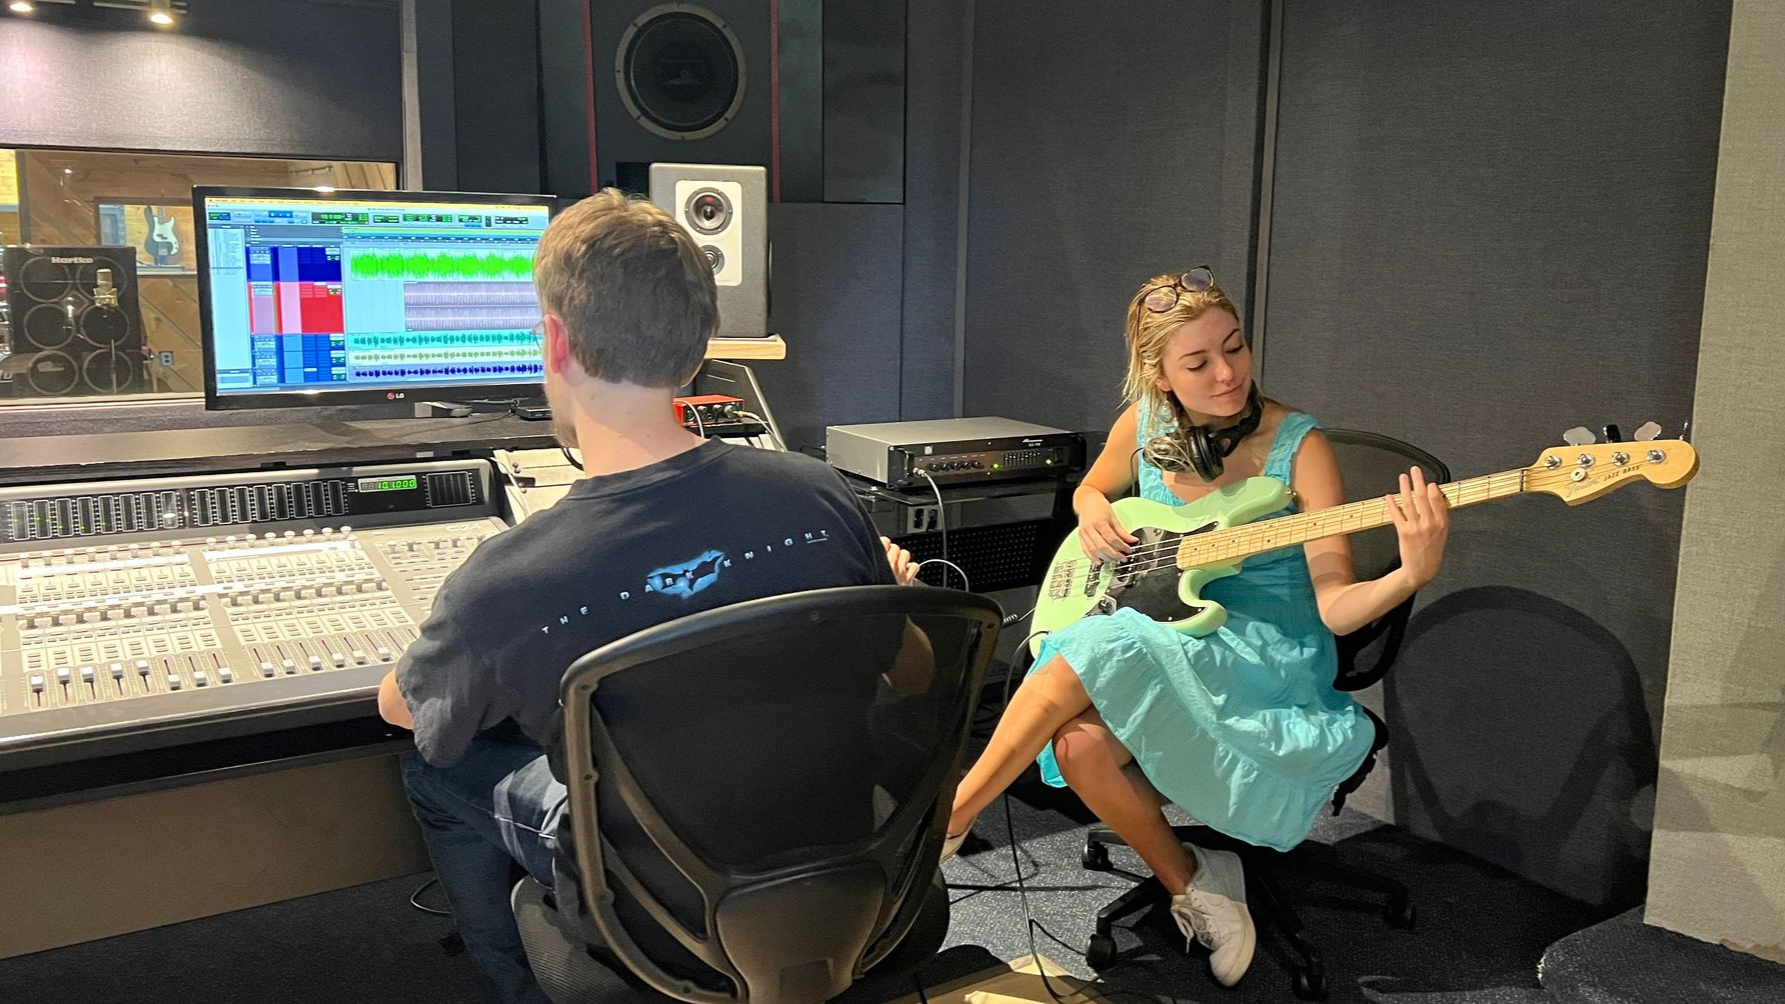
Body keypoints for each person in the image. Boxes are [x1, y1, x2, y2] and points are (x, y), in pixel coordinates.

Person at [376, 189, 922, 1002]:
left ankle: (516, 984)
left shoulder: (505, 582)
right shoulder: (817, 494)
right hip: (848, 870)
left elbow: (412, 713)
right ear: (700, 344)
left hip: (656, 915)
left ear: (555, 342)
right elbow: (909, 673)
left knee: (434, 773)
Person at [940, 267, 1450, 987]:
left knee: (1098, 639)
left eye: (1234, 349)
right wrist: (1090, 510)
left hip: (1266, 653)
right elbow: (1092, 487)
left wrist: (1408, 575)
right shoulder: (1142, 424)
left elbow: (1334, 606)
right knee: (1079, 742)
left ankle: (949, 817)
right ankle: (1193, 881)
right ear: (1158, 375)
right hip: (1167, 629)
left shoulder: (1298, 446)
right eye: (1198, 362)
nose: (1226, 373)